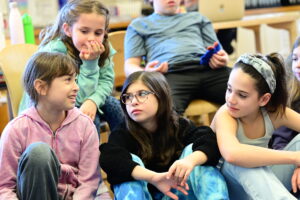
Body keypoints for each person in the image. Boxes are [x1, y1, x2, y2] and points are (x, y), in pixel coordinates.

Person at [100, 71, 229, 200]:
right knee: (126, 167)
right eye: (128, 97)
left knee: (195, 153)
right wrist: (154, 178)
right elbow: (110, 159)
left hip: (180, 193)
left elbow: (209, 141)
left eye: (142, 94)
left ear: (161, 96)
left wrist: (189, 161)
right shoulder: (122, 133)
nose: (133, 101)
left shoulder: (179, 125)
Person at [0, 52, 101, 199]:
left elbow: (89, 182)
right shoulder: (16, 129)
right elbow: (4, 187)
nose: (76, 87)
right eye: (68, 80)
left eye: (75, 80)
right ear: (41, 87)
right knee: (39, 153)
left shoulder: (84, 125)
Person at [18, 0, 123, 133]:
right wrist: (90, 63)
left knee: (115, 106)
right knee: (88, 119)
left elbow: (106, 82)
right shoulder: (55, 52)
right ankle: (89, 154)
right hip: (49, 109)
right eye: (84, 31)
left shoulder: (103, 48)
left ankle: (123, 150)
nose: (91, 38)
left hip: (79, 99)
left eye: (98, 33)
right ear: (67, 29)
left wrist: (93, 101)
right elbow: (74, 97)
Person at [211, 52, 300, 199]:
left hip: (265, 185)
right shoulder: (225, 114)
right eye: (229, 89)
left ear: (264, 99)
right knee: (244, 161)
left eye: (242, 95)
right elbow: (233, 154)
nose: (231, 99)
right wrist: (295, 158)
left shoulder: (275, 113)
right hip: (232, 191)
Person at [124, 0, 231, 115]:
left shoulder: (199, 18)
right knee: (164, 115)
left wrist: (223, 59)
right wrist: (147, 73)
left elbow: (219, 51)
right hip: (170, 74)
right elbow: (129, 66)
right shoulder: (138, 25)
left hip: (209, 70)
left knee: (248, 88)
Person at [269, 37, 300, 150]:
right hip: (288, 157)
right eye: (295, 59)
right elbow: (280, 143)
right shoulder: (291, 99)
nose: (297, 65)